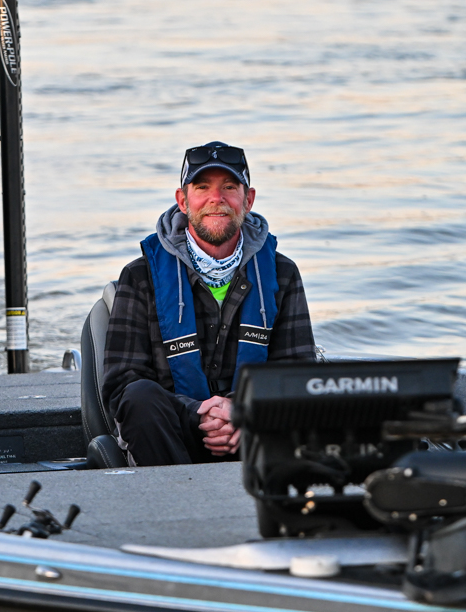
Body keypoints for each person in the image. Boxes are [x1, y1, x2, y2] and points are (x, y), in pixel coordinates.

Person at [102, 141, 315, 466]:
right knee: (139, 397)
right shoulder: (140, 276)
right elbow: (121, 384)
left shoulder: (282, 274)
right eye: (202, 187)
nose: (217, 198)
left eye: (229, 187)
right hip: (171, 436)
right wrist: (197, 413)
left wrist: (243, 411)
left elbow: (298, 373)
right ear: (183, 200)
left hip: (254, 431)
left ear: (248, 199)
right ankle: (175, 495)